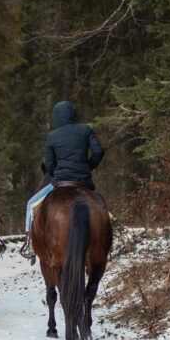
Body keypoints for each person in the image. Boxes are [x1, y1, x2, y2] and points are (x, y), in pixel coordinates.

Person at [20, 101, 105, 259]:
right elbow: (99, 151)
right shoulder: (85, 129)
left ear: (56, 117)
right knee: (101, 207)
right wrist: (88, 166)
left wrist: (57, 173)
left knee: (31, 205)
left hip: (60, 180)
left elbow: (49, 164)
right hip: (83, 182)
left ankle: (30, 244)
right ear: (73, 114)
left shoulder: (52, 136)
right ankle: (105, 241)